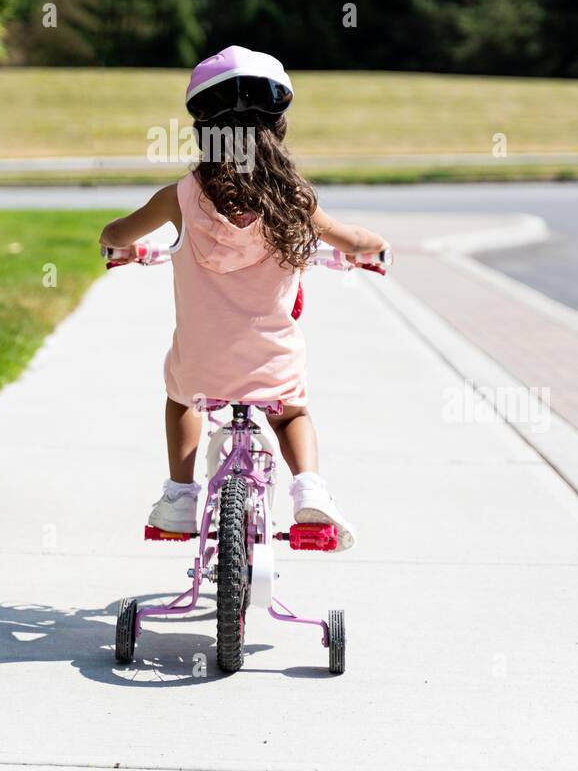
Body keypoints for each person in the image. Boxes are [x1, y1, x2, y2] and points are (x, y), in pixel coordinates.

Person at [98, 45, 391, 551]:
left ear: (203, 130)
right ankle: (309, 493)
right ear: (277, 129)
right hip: (271, 367)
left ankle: (180, 496)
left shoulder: (181, 197)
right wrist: (374, 248)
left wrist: (119, 245)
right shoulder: (295, 200)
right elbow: (353, 240)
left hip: (202, 367)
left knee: (179, 396)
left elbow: (116, 232)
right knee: (293, 412)